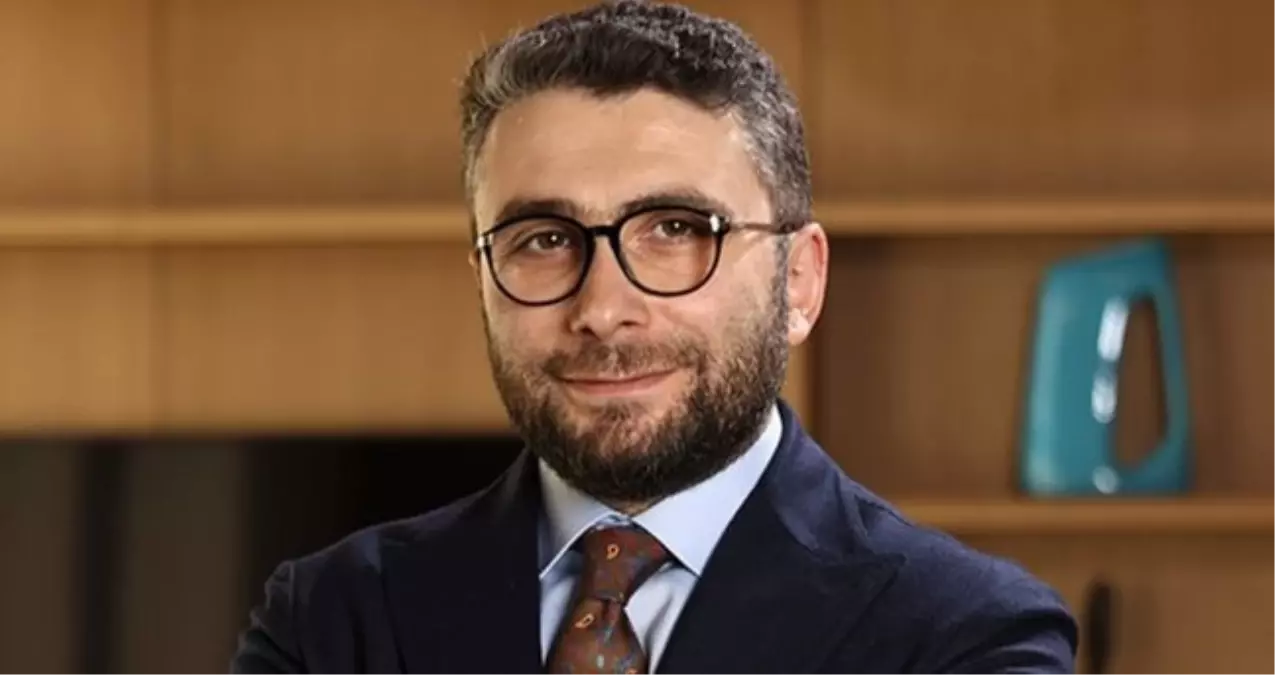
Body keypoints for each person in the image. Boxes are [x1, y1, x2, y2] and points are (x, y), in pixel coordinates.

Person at [230, 2, 1078, 673]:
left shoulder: (965, 634)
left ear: (798, 281)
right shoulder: (332, 621)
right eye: (544, 239)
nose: (604, 308)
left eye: (675, 230)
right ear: (483, 277)